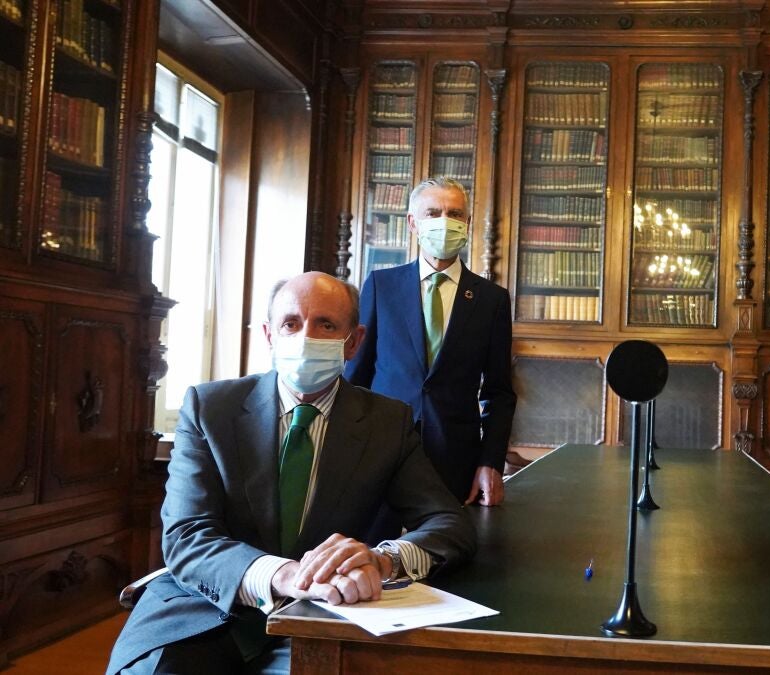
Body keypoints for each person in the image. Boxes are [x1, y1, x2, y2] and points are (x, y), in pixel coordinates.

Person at [107, 272, 476, 675]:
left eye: (326, 325)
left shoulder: (387, 423)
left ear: (353, 342)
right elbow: (187, 535)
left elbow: (449, 524)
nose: (306, 337)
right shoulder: (210, 409)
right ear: (269, 335)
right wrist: (286, 574)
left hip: (321, 617)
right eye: (291, 323)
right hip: (202, 609)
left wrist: (382, 559)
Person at [347, 177, 516, 506]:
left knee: (448, 539)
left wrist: (491, 462)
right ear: (413, 223)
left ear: (467, 223)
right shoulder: (381, 286)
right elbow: (356, 376)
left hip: (455, 460)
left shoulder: (491, 300)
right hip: (380, 453)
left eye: (455, 214)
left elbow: (499, 393)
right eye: (433, 213)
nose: (445, 221)